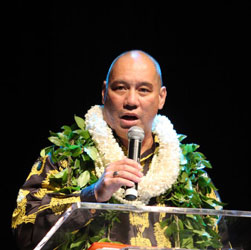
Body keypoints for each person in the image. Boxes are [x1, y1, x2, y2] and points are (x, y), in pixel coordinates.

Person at [12, 50, 223, 250]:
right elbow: (25, 229)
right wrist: (92, 195)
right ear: (104, 93)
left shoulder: (189, 170)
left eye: (143, 90)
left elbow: (220, 239)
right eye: (120, 88)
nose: (131, 101)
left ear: (161, 97)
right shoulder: (63, 158)